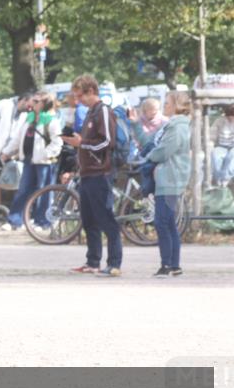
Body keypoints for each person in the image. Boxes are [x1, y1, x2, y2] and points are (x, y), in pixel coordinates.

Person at [62, 74, 123, 277]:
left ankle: (114, 263)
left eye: (80, 95)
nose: (78, 100)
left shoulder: (103, 111)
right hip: (87, 173)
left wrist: (82, 143)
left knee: (106, 218)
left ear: (91, 91)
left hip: (100, 172)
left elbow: (107, 142)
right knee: (88, 220)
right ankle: (92, 261)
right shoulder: (90, 112)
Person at [128, 91, 191, 277]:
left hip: (170, 180)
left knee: (162, 222)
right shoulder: (169, 125)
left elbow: (163, 152)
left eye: (168, 103)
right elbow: (149, 142)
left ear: (177, 105)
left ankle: (167, 265)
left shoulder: (177, 127)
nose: (165, 106)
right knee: (168, 222)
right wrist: (135, 124)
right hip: (165, 179)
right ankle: (174, 265)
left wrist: (148, 157)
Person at [1, 92, 63, 230]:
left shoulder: (51, 121)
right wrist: (6, 152)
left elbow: (58, 143)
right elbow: (18, 139)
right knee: (23, 190)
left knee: (44, 192)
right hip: (29, 160)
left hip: (44, 163)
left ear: (44, 104)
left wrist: (45, 155)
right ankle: (15, 221)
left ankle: (43, 222)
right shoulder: (29, 119)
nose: (31, 103)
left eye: (36, 101)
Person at [209, 104, 234, 186]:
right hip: (221, 146)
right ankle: (218, 179)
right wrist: (211, 146)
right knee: (216, 155)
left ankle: (226, 179)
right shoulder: (219, 121)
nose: (231, 119)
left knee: (232, 157)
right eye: (230, 117)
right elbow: (212, 136)